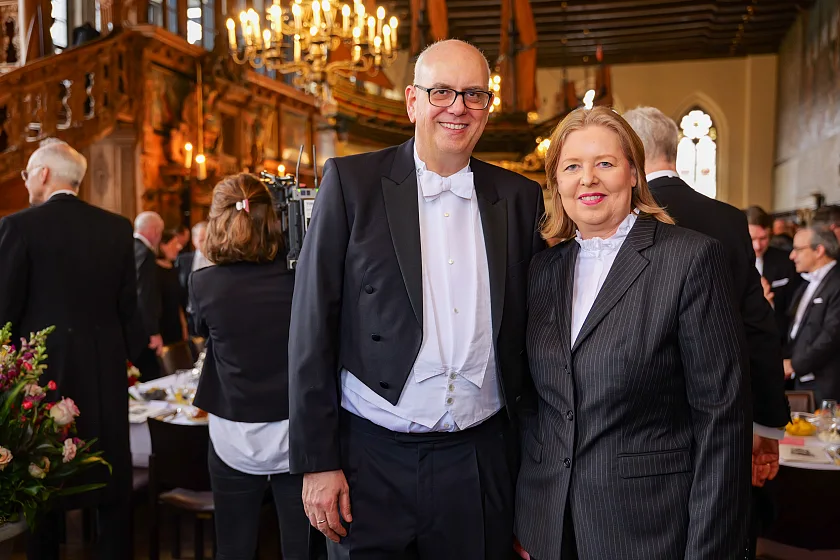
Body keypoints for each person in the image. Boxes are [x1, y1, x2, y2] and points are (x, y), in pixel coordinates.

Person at [289, 39, 545, 559]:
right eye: (441, 92)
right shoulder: (352, 183)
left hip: (479, 459)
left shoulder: (520, 199)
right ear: (412, 101)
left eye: (474, 94)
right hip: (370, 461)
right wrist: (318, 461)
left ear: (488, 108)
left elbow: (533, 330)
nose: (458, 107)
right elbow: (311, 326)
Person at [515, 107, 750, 559]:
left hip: (650, 530)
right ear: (556, 182)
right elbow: (535, 407)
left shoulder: (690, 260)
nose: (588, 179)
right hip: (550, 531)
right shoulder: (541, 271)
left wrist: (709, 550)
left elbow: (722, 422)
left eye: (605, 163)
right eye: (571, 167)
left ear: (634, 173)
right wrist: (531, 518)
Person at [624, 107, 789, 489]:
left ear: (631, 153)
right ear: (674, 149)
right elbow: (756, 324)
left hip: (639, 422)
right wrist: (767, 425)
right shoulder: (729, 219)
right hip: (723, 410)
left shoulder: (627, 216)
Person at [0, 138, 138, 559]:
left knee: (43, 479)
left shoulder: (18, 227)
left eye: (26, 173)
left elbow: (4, 314)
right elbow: (128, 310)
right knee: (110, 475)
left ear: (43, 174)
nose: (25, 182)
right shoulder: (117, 227)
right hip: (104, 375)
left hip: (45, 381)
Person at [190, 174, 326, 560]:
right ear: (276, 218)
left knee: (234, 546)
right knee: (301, 549)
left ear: (217, 221)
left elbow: (200, 331)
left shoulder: (204, 284)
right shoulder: (299, 278)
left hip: (233, 431)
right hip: (293, 431)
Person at [785, 225, 840, 404]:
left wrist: (794, 365)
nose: (792, 255)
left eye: (798, 249)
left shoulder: (837, 282)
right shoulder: (804, 285)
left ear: (819, 250)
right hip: (801, 382)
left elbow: (831, 335)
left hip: (827, 385)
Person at [745, 205, 802, 354]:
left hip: (779, 343)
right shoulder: (732, 261)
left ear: (771, 233)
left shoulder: (785, 261)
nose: (757, 246)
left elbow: (795, 306)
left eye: (763, 238)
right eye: (752, 239)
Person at [134, 211, 165, 379]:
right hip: (143, 331)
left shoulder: (126, 246)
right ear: (153, 231)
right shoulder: (146, 254)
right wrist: (153, 332)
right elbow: (145, 295)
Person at [156, 229, 188, 346]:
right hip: (161, 326)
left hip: (176, 325)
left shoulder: (174, 269)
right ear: (163, 246)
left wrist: (183, 325)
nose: (179, 247)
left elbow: (178, 301)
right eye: (174, 244)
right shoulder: (153, 270)